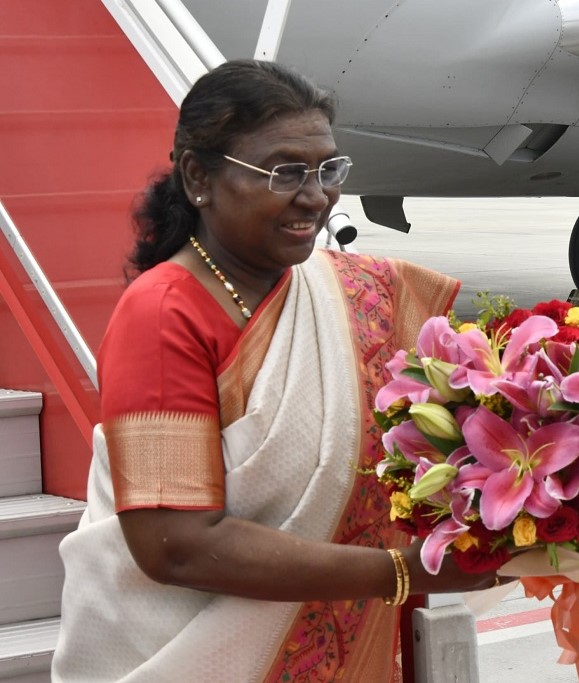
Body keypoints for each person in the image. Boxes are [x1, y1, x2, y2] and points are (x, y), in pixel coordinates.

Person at [52, 59, 498, 682]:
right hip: (176, 651)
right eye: (284, 171)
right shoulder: (163, 313)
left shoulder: (354, 294)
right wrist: (401, 572)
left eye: (328, 169)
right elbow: (175, 547)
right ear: (198, 177)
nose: (315, 196)